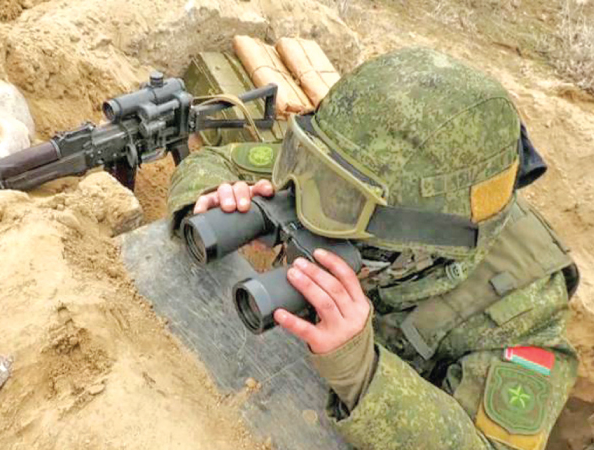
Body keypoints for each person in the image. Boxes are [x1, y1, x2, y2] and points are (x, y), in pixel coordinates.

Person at [167, 47, 579, 449]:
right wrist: (213, 199)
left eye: (344, 209)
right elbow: (216, 163)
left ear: (428, 242)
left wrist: (363, 375)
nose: (315, 215)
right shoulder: (346, 162)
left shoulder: (527, 309)